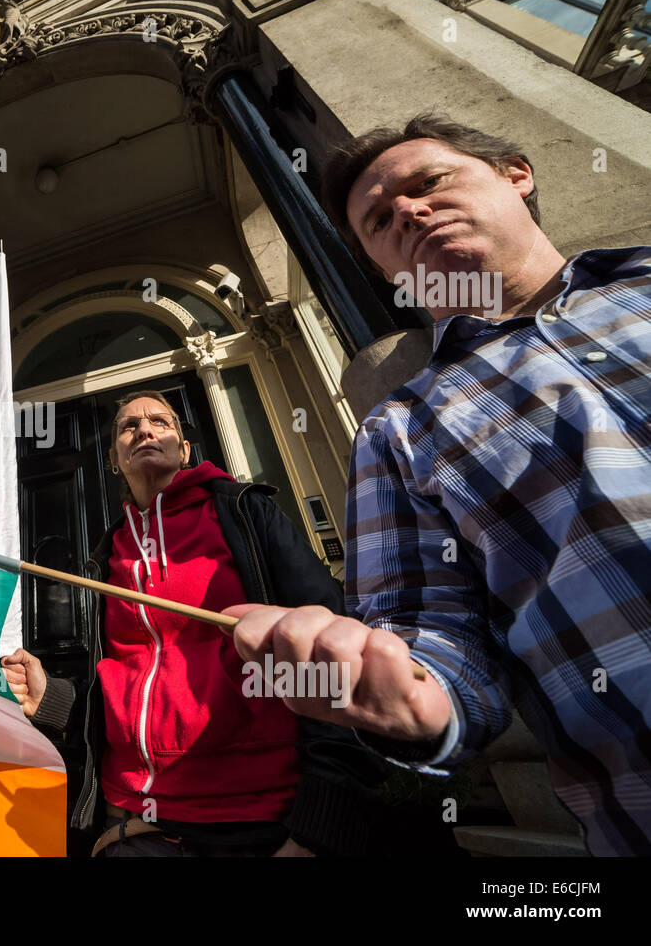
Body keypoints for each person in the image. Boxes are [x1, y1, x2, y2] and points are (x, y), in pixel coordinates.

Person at [224, 114, 651, 855]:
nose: (410, 214)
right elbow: (432, 637)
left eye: (429, 184)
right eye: (381, 221)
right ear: (388, 271)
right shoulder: (400, 429)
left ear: (517, 174)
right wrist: (413, 694)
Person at [2, 391, 386, 856]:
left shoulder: (246, 515)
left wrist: (321, 826)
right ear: (113, 460)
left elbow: (333, 654)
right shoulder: (106, 557)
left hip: (257, 824)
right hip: (132, 826)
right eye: (129, 426)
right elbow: (131, 689)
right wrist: (53, 698)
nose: (144, 430)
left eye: (160, 422)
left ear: (184, 450)